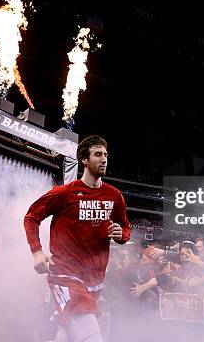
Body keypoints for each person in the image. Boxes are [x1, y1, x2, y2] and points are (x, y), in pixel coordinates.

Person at [24, 135, 131, 342]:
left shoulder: (114, 195)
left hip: (95, 282)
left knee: (66, 336)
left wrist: (122, 235)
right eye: (98, 154)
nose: (104, 159)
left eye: (106, 155)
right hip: (65, 276)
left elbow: (125, 227)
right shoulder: (64, 193)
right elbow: (31, 217)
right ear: (84, 159)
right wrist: (37, 252)